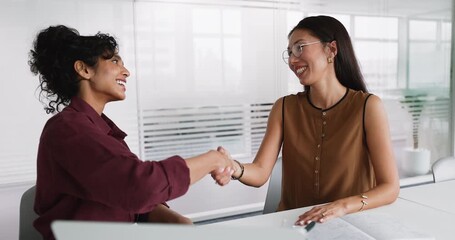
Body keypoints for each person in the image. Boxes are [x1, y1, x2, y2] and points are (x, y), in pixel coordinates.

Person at [29, 25, 234, 240]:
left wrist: (174, 219)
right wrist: (213, 159)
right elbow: (139, 186)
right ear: (84, 69)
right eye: (115, 61)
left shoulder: (101, 130)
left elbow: (124, 197)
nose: (126, 72)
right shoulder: (68, 130)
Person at [213, 15, 400, 226]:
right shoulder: (283, 108)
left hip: (349, 225)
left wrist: (342, 206)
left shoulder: (368, 106)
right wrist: (234, 167)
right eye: (290, 52)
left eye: (300, 48)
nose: (292, 60)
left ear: (331, 50)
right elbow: (260, 171)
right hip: (294, 226)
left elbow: (390, 187)